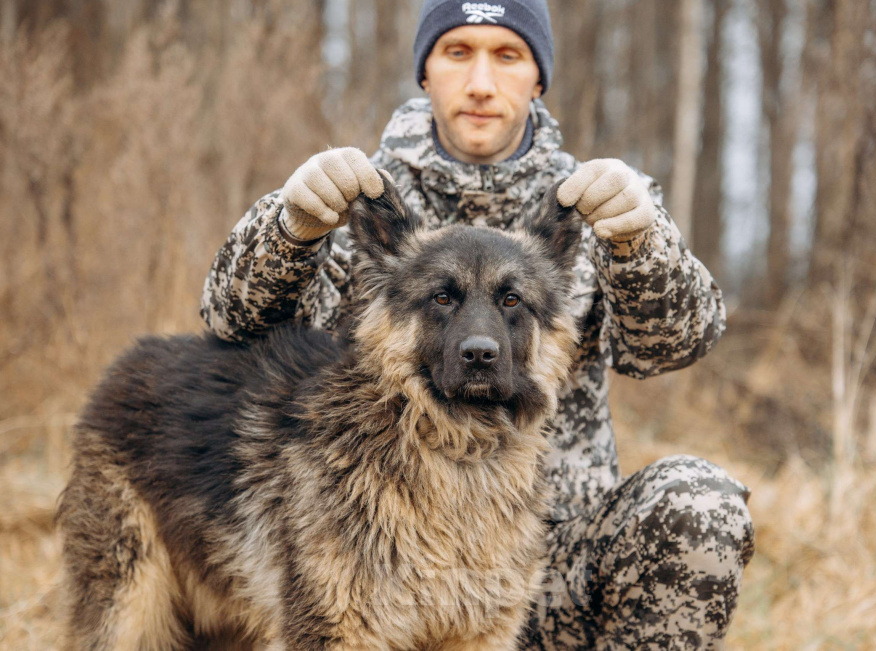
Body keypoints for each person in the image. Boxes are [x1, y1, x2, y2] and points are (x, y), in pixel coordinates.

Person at [201, 0, 755, 647]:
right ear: (426, 71)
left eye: (508, 55)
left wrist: (641, 242)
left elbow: (681, 342)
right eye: (458, 52)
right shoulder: (356, 201)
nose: (482, 83)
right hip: (377, 562)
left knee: (699, 503)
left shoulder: (596, 200)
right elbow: (227, 321)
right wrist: (287, 228)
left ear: (538, 77)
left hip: (545, 566)